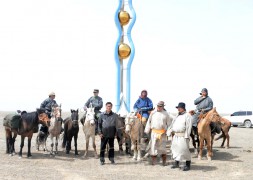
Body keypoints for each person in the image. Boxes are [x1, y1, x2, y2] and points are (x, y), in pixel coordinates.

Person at [144, 101, 173, 166]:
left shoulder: (166, 114)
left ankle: (164, 161)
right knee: (153, 146)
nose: (159, 108)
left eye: (160, 106)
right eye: (158, 106)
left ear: (163, 107)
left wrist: (168, 132)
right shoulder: (153, 113)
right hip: (154, 132)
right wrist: (147, 130)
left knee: (162, 148)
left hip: (162, 133)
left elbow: (169, 124)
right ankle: (154, 161)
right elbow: (149, 121)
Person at [167, 102, 193, 171]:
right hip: (176, 135)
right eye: (178, 108)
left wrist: (187, 136)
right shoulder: (177, 115)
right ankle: (176, 163)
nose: (178, 109)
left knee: (184, 150)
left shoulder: (188, 115)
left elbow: (189, 126)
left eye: (179, 108)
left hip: (183, 136)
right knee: (175, 149)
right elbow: (173, 124)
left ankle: (188, 165)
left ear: (183, 108)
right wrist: (170, 130)